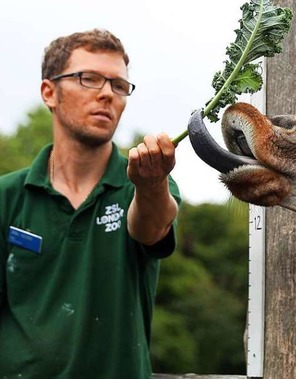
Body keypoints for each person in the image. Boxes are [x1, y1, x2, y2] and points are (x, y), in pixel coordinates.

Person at [0, 29, 181, 378]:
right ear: (49, 93)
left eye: (118, 85)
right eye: (89, 79)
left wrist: (151, 184)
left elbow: (150, 227)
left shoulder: (144, 184)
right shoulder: (8, 196)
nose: (106, 94)